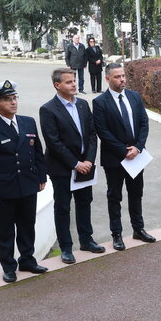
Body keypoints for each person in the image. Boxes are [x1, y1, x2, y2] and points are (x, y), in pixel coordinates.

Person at [0, 81, 48, 283]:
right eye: (8, 99)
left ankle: (28, 260)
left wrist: (41, 177)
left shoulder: (28, 122)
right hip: (3, 190)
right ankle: (9, 266)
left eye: (15, 98)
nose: (14, 102)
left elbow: (38, 153)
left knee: (27, 226)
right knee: (5, 230)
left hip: (27, 186)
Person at [39, 68, 104, 265]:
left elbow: (92, 135)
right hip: (63, 169)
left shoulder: (83, 105)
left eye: (74, 80)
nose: (74, 84)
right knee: (63, 207)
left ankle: (86, 240)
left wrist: (89, 161)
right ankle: (66, 248)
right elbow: (53, 142)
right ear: (57, 85)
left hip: (86, 165)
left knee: (84, 203)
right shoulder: (48, 110)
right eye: (68, 82)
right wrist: (75, 164)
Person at [93, 63, 156, 251]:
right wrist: (123, 151)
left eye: (123, 76)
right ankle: (117, 235)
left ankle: (139, 229)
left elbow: (144, 123)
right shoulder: (100, 102)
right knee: (115, 196)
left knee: (136, 194)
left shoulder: (134, 97)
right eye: (117, 77)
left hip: (136, 157)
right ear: (107, 79)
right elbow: (102, 131)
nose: (122, 80)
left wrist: (137, 147)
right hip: (115, 159)